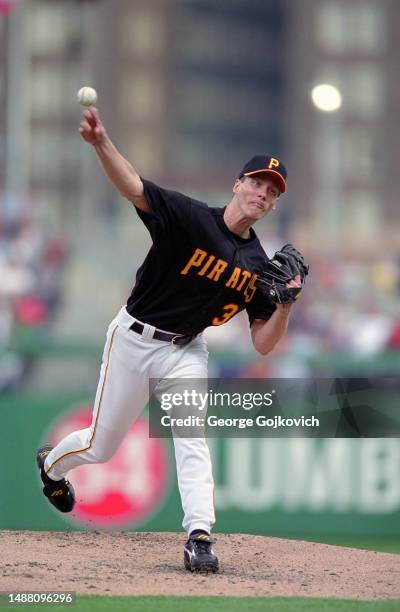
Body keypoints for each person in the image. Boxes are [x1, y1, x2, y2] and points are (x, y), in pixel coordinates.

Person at [36, 107, 302, 574]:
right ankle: (53, 467)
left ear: (274, 204)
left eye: (272, 191)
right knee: (101, 446)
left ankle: (199, 535)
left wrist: (284, 305)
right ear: (238, 184)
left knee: (191, 438)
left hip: (186, 351)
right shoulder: (189, 216)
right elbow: (133, 186)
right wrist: (101, 143)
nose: (263, 192)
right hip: (134, 337)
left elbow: (263, 343)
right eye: (258, 182)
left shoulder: (261, 265)